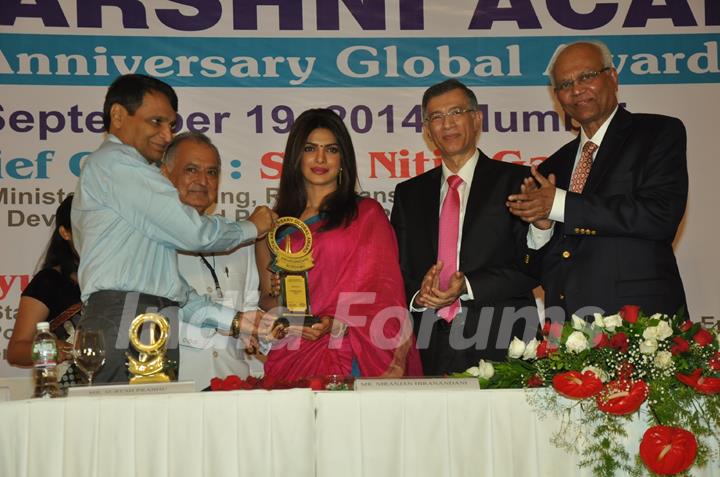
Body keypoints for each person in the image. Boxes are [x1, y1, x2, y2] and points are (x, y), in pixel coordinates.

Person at [72, 74, 276, 384]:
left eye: (171, 125)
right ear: (118, 116)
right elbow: (196, 234)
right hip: (124, 315)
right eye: (156, 122)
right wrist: (252, 226)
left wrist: (236, 321)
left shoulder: (134, 195)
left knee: (153, 427)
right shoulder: (117, 165)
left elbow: (176, 292)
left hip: (151, 315)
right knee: (123, 426)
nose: (166, 135)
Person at [507, 41, 688, 318]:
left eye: (586, 76)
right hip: (567, 329)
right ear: (557, 97)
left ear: (612, 77)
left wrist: (560, 204)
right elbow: (535, 271)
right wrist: (542, 228)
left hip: (640, 323)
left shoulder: (656, 133)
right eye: (565, 84)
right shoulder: (552, 167)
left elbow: (661, 216)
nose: (576, 89)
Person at [255, 108, 423, 380]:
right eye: (310, 148)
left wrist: (336, 322)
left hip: (353, 352)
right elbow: (266, 298)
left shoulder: (366, 214)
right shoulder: (275, 227)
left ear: (343, 159)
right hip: (295, 353)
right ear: (296, 156)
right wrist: (280, 293)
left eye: (331, 150)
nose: (320, 158)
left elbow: (386, 291)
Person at [391, 79, 539, 376]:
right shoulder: (409, 193)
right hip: (429, 343)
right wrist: (418, 297)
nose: (447, 124)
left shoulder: (518, 182)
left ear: (477, 119)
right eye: (436, 117)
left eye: (456, 112)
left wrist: (468, 287)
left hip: (502, 340)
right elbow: (398, 269)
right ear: (427, 130)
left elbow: (533, 263)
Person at [160, 132, 265, 389]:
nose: (202, 181)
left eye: (212, 172)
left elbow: (251, 307)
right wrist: (234, 321)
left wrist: (265, 330)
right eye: (191, 170)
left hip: (236, 387)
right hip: (177, 388)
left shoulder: (240, 237)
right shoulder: (152, 240)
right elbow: (172, 307)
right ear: (165, 174)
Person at [7, 195, 82, 388]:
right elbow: (16, 351)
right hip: (66, 392)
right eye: (83, 228)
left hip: (116, 383)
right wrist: (49, 349)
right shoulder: (49, 281)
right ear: (65, 233)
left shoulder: (121, 279)